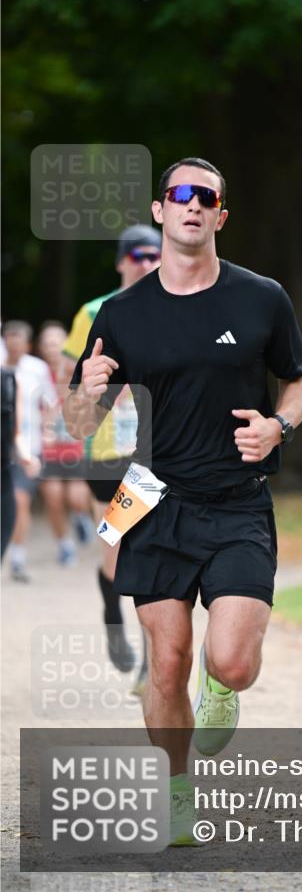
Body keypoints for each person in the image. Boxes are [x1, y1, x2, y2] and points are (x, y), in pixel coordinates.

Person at [63, 156, 302, 845]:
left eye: (206, 197)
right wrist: (85, 389)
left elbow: (299, 380)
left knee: (230, 660)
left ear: (220, 216)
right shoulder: (119, 315)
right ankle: (176, 795)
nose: (192, 205)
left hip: (238, 499)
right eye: (180, 195)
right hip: (152, 495)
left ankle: (224, 687)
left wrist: (279, 425)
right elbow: (80, 427)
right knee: (166, 658)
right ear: (160, 210)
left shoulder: (261, 297)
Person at [62, 225, 163, 681]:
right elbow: (71, 378)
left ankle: (150, 660)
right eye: (138, 255)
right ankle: (111, 614)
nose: (146, 263)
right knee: (116, 551)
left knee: (150, 552)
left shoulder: (174, 307)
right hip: (106, 451)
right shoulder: (93, 312)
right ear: (122, 261)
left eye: (154, 255)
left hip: (155, 451)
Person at [2, 320, 58, 581]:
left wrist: (47, 432)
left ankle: (17, 558)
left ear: (26, 344)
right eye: (8, 340)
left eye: (17, 341)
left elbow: (50, 404)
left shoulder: (36, 370)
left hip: (26, 445)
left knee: (20, 500)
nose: (12, 346)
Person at [37, 321, 94, 559]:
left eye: (56, 342)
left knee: (76, 498)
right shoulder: (36, 372)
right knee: (53, 498)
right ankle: (64, 544)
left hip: (75, 446)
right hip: (47, 448)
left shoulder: (77, 370)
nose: (52, 348)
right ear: (41, 347)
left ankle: (81, 518)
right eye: (47, 343)